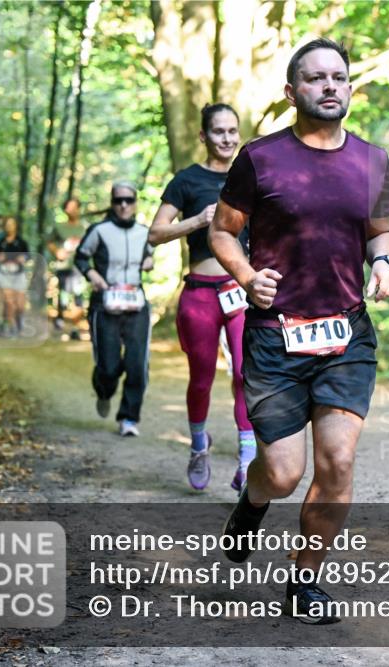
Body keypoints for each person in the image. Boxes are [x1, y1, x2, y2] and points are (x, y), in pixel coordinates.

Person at [210, 38, 389, 624]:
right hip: (275, 336)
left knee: (338, 461)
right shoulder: (260, 158)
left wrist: (385, 262)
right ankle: (252, 504)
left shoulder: (371, 160)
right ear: (292, 92)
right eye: (316, 79)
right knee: (285, 473)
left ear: (349, 86)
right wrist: (246, 275)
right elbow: (222, 232)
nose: (329, 87)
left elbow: (379, 232)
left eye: (338, 77)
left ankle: (305, 582)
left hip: (346, 336)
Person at [148, 103, 256, 492]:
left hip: (241, 292)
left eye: (232, 131)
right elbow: (155, 233)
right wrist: (198, 220)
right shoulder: (187, 180)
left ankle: (247, 459)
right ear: (203, 136)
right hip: (199, 294)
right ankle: (198, 446)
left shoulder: (251, 177)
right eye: (218, 131)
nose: (227, 138)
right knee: (202, 378)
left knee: (246, 373)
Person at [75, 182, 155, 437]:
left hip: (136, 304)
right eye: (118, 200)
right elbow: (80, 257)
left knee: (137, 364)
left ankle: (129, 418)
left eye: (128, 200)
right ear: (112, 202)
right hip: (105, 304)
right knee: (109, 366)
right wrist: (92, 275)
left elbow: (150, 253)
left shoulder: (144, 232)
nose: (123, 205)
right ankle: (104, 389)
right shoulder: (99, 231)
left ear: (135, 203)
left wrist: (150, 260)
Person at [49, 198, 88, 335]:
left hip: (79, 267)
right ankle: (60, 322)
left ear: (78, 209)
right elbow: (50, 242)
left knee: (78, 295)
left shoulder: (84, 227)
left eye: (73, 207)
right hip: (63, 266)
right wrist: (56, 251)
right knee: (63, 296)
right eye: (67, 207)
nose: (70, 210)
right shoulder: (59, 227)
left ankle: (75, 328)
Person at [0, 217, 30, 336]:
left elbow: (28, 256)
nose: (9, 226)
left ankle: (18, 322)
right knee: (9, 302)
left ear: (15, 226)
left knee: (19, 305)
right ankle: (10, 326)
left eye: (11, 224)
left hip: (19, 275)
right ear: (4, 226)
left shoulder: (22, 242)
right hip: (4, 275)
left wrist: (23, 258)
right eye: (7, 224)